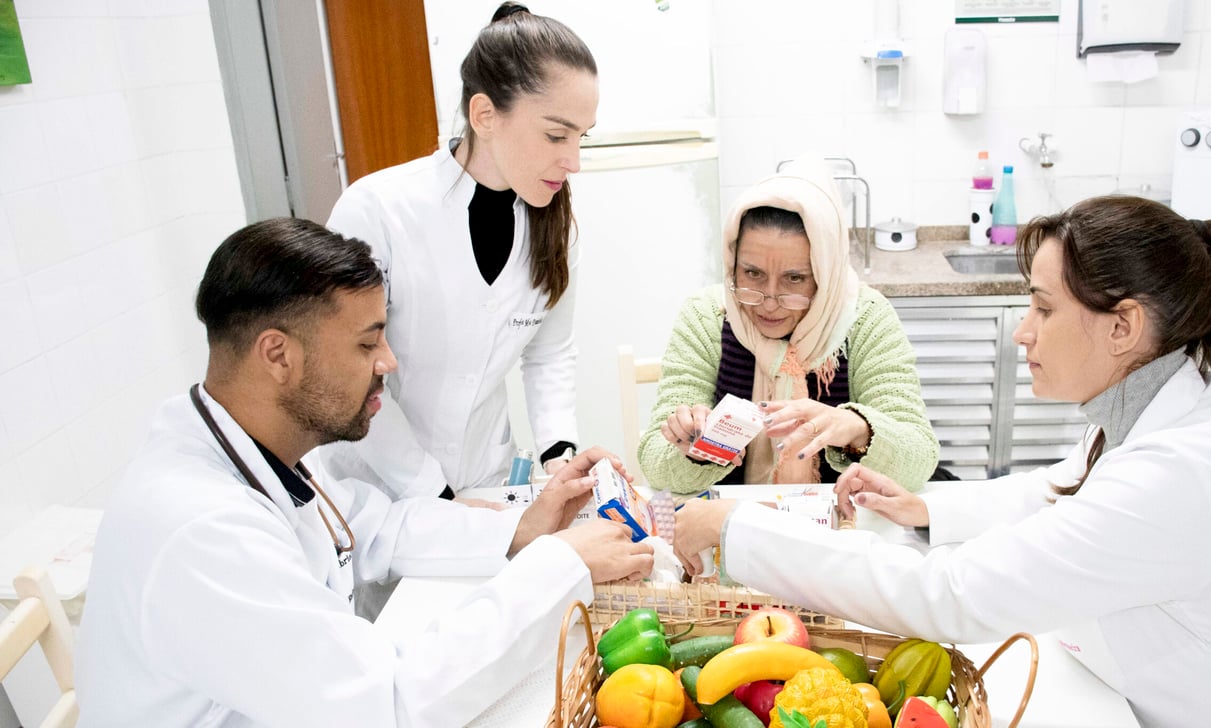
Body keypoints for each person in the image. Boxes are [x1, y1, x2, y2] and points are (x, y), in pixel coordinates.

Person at [671, 196, 1211, 726]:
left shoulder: (1178, 474)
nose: (1023, 331)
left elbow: (947, 596)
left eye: (1043, 307)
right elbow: (1060, 490)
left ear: (1125, 327)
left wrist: (738, 530)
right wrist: (927, 508)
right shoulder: (1179, 399)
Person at [74, 218, 655, 727]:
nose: (388, 362)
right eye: (366, 343)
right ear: (278, 355)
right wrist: (561, 567)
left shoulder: (251, 448)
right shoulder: (202, 530)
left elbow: (376, 527)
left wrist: (522, 532)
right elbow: (387, 704)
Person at [323, 2, 596, 500]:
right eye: (557, 134)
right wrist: (436, 495)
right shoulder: (377, 210)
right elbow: (348, 372)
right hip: (378, 490)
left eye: (582, 137)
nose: (573, 161)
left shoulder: (556, 227)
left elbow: (549, 352)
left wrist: (559, 451)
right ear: (485, 114)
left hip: (484, 480)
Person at [638, 156, 939, 495]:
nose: (768, 302)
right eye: (752, 274)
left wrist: (856, 429)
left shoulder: (865, 319)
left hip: (840, 524)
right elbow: (656, 465)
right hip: (728, 523)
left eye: (794, 279)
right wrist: (693, 448)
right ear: (731, 262)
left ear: (826, 275)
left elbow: (919, 460)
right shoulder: (707, 316)